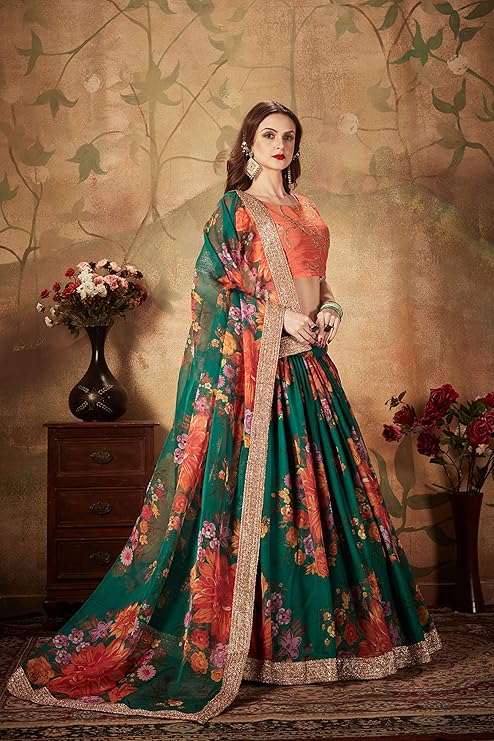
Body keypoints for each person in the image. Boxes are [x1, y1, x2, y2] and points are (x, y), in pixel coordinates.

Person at [8, 100, 441, 724]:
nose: (279, 144)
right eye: (268, 135)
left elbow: (317, 278)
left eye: (288, 136)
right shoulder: (235, 209)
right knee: (264, 503)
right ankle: (258, 645)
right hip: (260, 379)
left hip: (310, 371)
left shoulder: (307, 208)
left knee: (329, 498)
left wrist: (329, 309)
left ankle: (333, 641)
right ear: (248, 144)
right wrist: (277, 318)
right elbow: (211, 292)